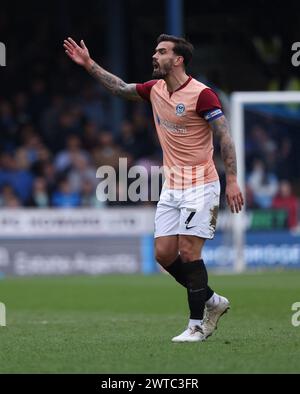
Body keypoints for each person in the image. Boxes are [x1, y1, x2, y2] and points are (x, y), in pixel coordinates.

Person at [63, 34, 244, 342]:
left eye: (161, 52)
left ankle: (197, 326)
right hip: (172, 186)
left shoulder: (203, 95)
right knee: (163, 254)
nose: (154, 56)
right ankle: (213, 301)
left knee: (188, 252)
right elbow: (120, 88)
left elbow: (225, 137)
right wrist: (88, 63)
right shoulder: (155, 89)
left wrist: (234, 180)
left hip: (201, 185)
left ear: (178, 59)